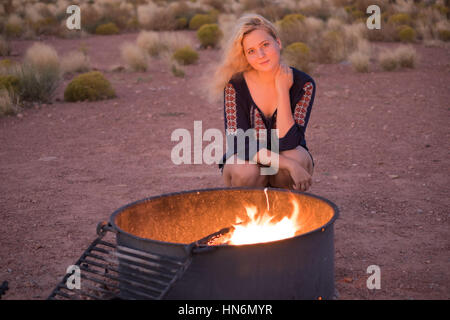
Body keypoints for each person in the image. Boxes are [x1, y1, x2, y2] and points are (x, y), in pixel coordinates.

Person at [211, 13, 315, 191]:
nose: (260, 55)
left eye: (265, 45)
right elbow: (241, 144)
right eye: (251, 51)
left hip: (285, 158)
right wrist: (288, 165)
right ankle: (247, 214)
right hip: (249, 161)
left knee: (295, 156)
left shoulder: (303, 84)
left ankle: (283, 213)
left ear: (278, 43)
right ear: (245, 56)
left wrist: (282, 90)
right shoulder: (235, 86)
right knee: (245, 170)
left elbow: (287, 142)